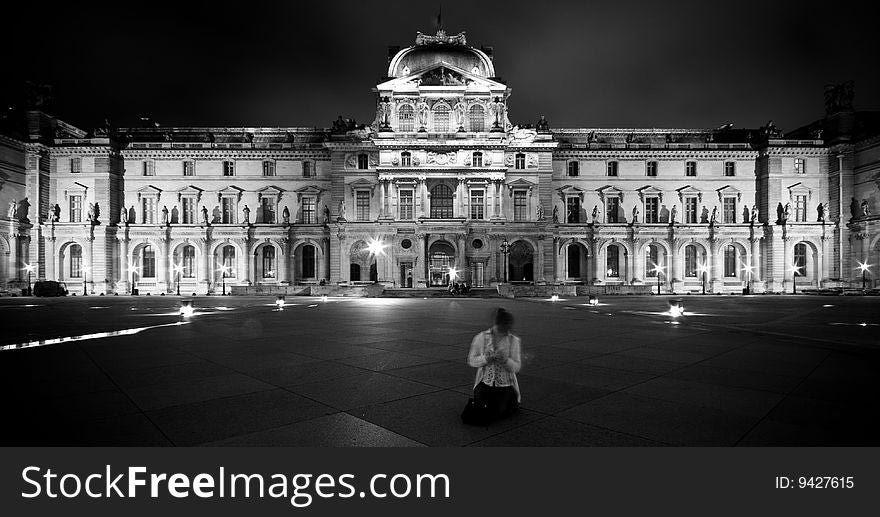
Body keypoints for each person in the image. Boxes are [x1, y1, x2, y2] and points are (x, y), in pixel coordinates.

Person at [463, 308, 522, 425]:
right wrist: (485, 358)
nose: (506, 332)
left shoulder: (513, 340)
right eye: (503, 328)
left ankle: (509, 402)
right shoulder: (481, 338)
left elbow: (516, 367)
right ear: (497, 324)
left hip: (505, 384)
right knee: (482, 411)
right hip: (485, 383)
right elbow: (471, 360)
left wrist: (506, 361)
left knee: (499, 412)